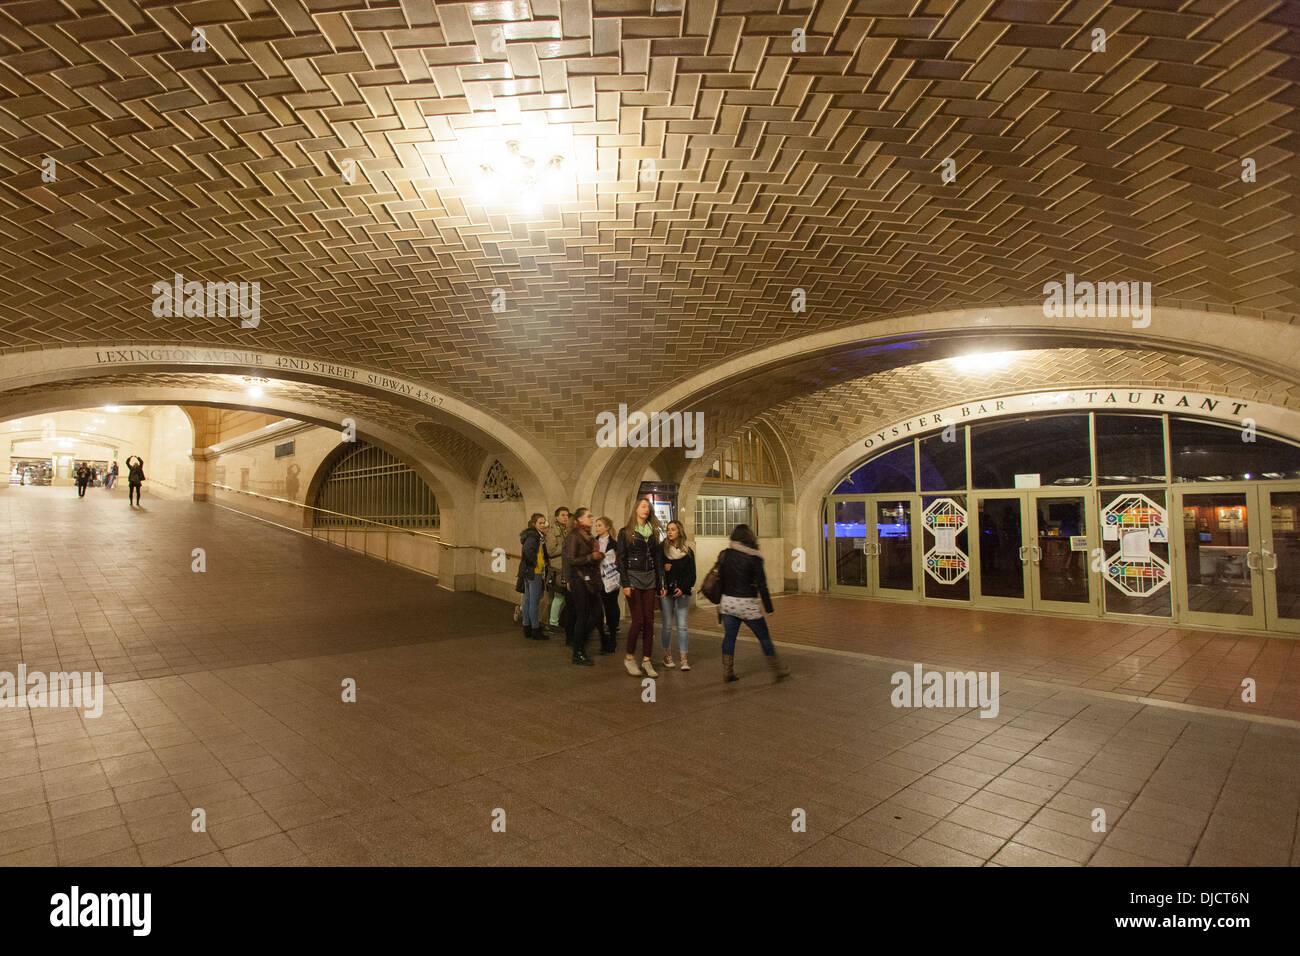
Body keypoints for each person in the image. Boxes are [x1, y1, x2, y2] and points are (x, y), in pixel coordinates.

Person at [716, 524, 789, 683]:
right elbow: (762, 585)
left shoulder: (725, 554)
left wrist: (719, 604)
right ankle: (777, 670)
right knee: (763, 636)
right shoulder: (754, 557)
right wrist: (769, 607)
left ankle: (728, 671)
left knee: (729, 637)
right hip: (747, 604)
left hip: (728, 603)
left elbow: (720, 580)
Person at [616, 497, 662, 677]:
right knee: (638, 620)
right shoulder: (626, 532)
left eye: (648, 507)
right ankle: (629, 658)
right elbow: (621, 559)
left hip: (650, 577)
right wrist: (625, 583)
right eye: (643, 506)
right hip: (633, 577)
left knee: (649, 620)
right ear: (636, 509)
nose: (646, 509)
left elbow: (657, 558)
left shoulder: (653, 532)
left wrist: (660, 582)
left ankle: (647, 660)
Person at [562, 508, 603, 666]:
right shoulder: (574, 536)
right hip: (579, 579)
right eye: (588, 516)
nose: (592, 518)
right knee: (583, 615)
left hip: (590, 579)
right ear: (579, 519)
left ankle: (579, 643)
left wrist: (598, 557)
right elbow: (571, 559)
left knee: (596, 614)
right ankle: (577, 652)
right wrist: (590, 557)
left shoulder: (588, 535)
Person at [659, 520, 696, 671]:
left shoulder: (688, 552)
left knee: (682, 626)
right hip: (667, 592)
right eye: (668, 529)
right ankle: (667, 655)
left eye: (673, 529)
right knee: (667, 625)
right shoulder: (663, 550)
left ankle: (683, 659)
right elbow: (657, 570)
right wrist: (664, 568)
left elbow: (692, 575)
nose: (670, 532)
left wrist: (683, 588)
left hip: (683, 592)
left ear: (679, 531)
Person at [516, 514, 550, 641]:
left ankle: (527, 627)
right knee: (534, 602)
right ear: (534, 524)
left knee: (528, 600)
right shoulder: (534, 536)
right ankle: (535, 629)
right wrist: (537, 563)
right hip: (534, 572)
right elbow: (528, 552)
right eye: (540, 523)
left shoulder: (533, 535)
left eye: (544, 522)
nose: (543, 525)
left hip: (528, 572)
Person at [539, 507, 570, 634]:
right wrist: (565, 546)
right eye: (563, 515)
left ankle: (558, 621)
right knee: (559, 596)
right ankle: (553, 623)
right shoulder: (552, 531)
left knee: (563, 596)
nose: (565, 517)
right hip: (557, 568)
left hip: (566, 567)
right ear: (556, 517)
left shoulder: (567, 530)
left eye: (567, 515)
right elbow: (551, 551)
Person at [593, 516, 620, 654]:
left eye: (600, 525)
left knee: (611, 609)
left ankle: (613, 639)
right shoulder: (593, 542)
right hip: (597, 581)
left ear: (607, 527)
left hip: (611, 580)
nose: (597, 528)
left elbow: (619, 560)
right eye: (596, 525)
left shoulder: (614, 544)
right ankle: (603, 638)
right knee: (597, 610)